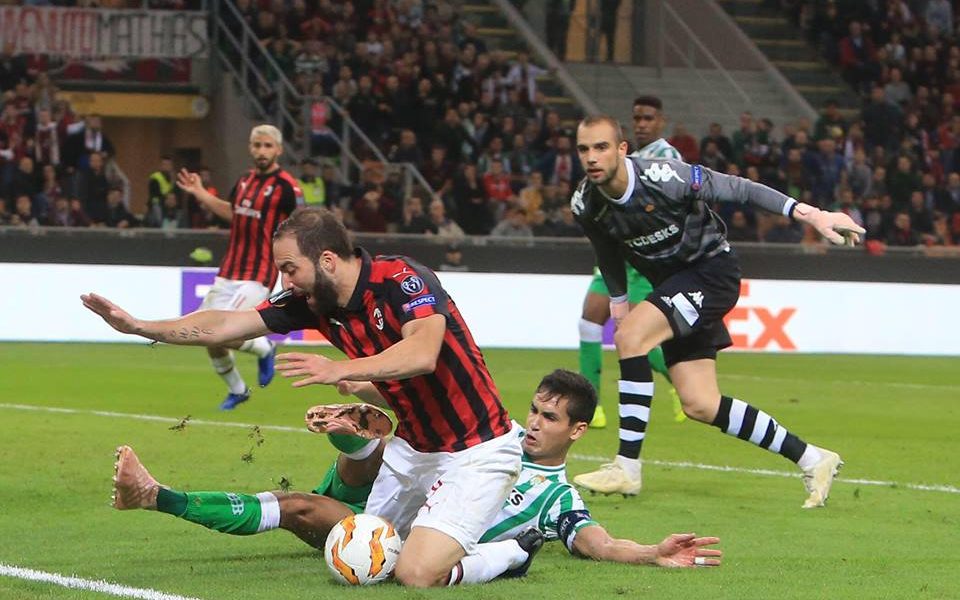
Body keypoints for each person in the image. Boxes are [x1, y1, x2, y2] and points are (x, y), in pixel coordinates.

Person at [81, 206, 525, 588]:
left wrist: (341, 369)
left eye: (290, 268)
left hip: (477, 448)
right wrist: (140, 327)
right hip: (412, 451)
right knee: (369, 554)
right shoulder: (312, 301)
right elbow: (226, 324)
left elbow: (422, 353)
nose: (285, 280)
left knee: (415, 573)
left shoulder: (402, 280)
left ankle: (510, 551)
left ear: (327, 259)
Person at [110, 370, 722, 579]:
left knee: (295, 506)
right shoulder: (493, 435)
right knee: (383, 440)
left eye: (550, 418)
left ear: (578, 431)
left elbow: (599, 543)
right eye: (535, 410)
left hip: (394, 539)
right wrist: (356, 395)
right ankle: (348, 428)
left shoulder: (555, 499)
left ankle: (156, 496)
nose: (535, 423)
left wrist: (650, 553)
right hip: (387, 502)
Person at [569, 115, 863, 506]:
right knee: (700, 404)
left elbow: (740, 189)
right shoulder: (586, 202)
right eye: (584, 149)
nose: (592, 157)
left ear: (622, 150)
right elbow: (607, 250)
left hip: (711, 273)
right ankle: (813, 458)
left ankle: (627, 467)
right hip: (672, 286)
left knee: (632, 338)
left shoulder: (665, 176)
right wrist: (619, 303)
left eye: (601, 147)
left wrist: (813, 215)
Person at [172, 124, 304, 409]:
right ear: (250, 148)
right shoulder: (245, 180)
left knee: (224, 330)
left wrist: (295, 267)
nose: (262, 151)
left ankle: (264, 348)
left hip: (258, 273)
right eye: (257, 145)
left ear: (279, 150)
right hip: (228, 271)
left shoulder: (287, 187)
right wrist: (199, 192)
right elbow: (233, 213)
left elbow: (302, 226)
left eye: (268, 145)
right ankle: (238, 390)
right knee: (205, 334)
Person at [580, 96, 685, 430]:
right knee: (589, 320)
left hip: (643, 255)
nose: (641, 124)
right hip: (616, 252)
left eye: (648, 118)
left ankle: (681, 383)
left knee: (632, 334)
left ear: (661, 121)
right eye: (637, 118)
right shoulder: (621, 156)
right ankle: (589, 406)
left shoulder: (668, 157)